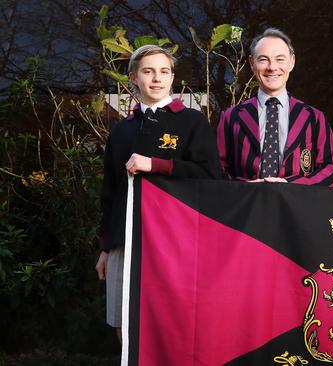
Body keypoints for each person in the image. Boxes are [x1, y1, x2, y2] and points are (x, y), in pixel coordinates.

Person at [95, 45, 221, 341]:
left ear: (172, 77)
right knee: (123, 324)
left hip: (174, 241)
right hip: (124, 241)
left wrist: (157, 165)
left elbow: (211, 175)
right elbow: (110, 194)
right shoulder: (121, 131)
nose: (157, 78)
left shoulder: (191, 122)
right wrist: (105, 247)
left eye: (164, 71)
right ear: (133, 78)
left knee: (171, 325)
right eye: (148, 71)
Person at [216, 28, 333, 186]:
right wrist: (246, 187)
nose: (272, 67)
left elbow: (332, 169)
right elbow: (217, 170)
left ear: (292, 62)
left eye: (280, 59)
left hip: (297, 208)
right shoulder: (230, 117)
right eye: (263, 59)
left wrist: (291, 185)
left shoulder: (314, 118)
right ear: (251, 63)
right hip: (247, 206)